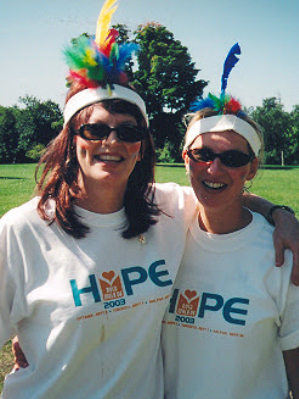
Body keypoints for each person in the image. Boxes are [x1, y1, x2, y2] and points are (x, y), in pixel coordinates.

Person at [1, 10, 299, 398]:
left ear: (142, 147)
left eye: (128, 131)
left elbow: (221, 193)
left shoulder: (167, 209)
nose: (112, 142)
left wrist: (281, 215)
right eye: (95, 129)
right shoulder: (22, 231)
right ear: (72, 140)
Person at [162, 76, 299, 397]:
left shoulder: (283, 255)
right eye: (203, 154)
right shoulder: (162, 223)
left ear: (251, 169)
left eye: (233, 159)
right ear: (186, 158)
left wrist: (282, 217)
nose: (213, 169)